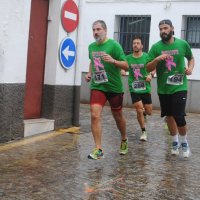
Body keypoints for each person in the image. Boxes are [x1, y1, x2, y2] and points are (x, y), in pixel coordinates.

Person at [146, 19, 195, 158]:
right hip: (163, 88)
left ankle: (184, 142)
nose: (163, 31)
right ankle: (175, 141)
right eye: (161, 29)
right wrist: (156, 60)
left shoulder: (182, 44)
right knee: (169, 116)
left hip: (180, 86)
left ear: (172, 29)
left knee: (179, 115)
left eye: (165, 28)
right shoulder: (156, 47)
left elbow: (191, 58)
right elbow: (148, 67)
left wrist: (190, 68)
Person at [85, 20, 129, 160]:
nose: (96, 32)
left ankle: (124, 138)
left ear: (105, 30)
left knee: (117, 116)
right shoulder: (91, 47)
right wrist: (89, 73)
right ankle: (98, 149)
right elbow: (92, 61)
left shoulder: (114, 46)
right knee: (94, 114)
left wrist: (113, 61)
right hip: (98, 86)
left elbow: (126, 65)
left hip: (114, 87)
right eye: (94, 30)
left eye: (98, 29)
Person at [126, 36, 155, 141]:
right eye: (134, 43)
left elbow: (154, 67)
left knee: (149, 111)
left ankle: (144, 114)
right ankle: (143, 131)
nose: (135, 45)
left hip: (145, 87)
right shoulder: (128, 58)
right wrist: (122, 70)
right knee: (138, 109)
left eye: (138, 43)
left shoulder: (147, 57)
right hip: (134, 87)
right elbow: (123, 67)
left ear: (142, 46)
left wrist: (150, 75)